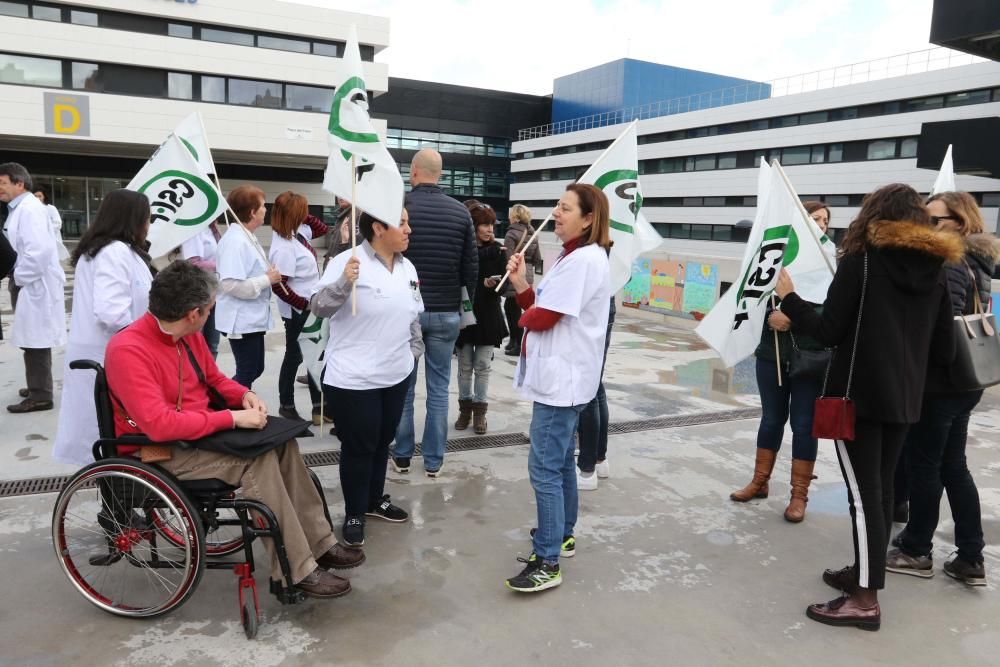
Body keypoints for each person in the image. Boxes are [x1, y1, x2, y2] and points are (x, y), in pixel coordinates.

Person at [104, 260, 364, 598]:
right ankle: (295, 570)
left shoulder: (186, 334)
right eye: (210, 308)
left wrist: (244, 395)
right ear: (193, 314)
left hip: (197, 434)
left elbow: (213, 379)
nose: (213, 313)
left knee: (283, 444)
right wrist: (232, 418)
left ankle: (320, 542)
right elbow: (159, 424)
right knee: (257, 462)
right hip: (152, 449)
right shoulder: (129, 350)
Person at [775, 183, 959, 631]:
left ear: (873, 216)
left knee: (864, 496)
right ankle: (864, 574)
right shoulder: (935, 270)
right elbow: (947, 350)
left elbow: (828, 329)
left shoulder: (862, 261)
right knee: (881, 492)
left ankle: (864, 599)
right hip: (904, 399)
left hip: (855, 398)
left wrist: (791, 299)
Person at [503, 183, 611, 593]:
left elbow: (543, 317)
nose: (556, 213)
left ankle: (547, 558)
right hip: (564, 378)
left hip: (561, 382)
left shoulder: (584, 259)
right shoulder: (573, 257)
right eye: (557, 206)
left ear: (588, 218)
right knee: (562, 460)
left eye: (566, 208)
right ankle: (561, 534)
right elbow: (539, 304)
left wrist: (523, 315)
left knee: (544, 467)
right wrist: (519, 284)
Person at [886, 191, 999, 585]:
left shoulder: (951, 263)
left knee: (926, 467)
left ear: (960, 222)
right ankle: (970, 556)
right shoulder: (977, 261)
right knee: (954, 466)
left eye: (934, 220)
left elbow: (942, 331)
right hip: (966, 381)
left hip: (941, 384)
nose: (925, 227)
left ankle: (917, 549)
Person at [312, 209, 423, 547]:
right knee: (359, 447)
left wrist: (412, 352)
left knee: (381, 442)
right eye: (401, 222)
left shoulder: (407, 266)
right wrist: (345, 282)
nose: (408, 228)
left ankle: (374, 500)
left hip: (396, 373)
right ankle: (356, 510)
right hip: (353, 378)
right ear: (378, 228)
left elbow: (414, 313)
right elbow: (318, 307)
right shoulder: (348, 261)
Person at [730, 201, 832, 521]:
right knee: (771, 420)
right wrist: (769, 319)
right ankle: (760, 482)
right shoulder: (775, 262)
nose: (821, 225)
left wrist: (794, 317)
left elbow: (833, 319)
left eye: (825, 220)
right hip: (770, 355)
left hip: (810, 358)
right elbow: (749, 301)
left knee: (803, 426)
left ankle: (798, 495)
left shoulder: (832, 266)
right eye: (814, 219)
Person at [392, 149, 478, 477]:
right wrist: (462, 304)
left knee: (404, 384)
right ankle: (433, 460)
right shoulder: (460, 213)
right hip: (446, 313)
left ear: (414, 172)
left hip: (407, 312)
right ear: (439, 174)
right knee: (440, 388)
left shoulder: (400, 210)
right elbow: (471, 266)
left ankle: (401, 454)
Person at [52, 189, 154, 465]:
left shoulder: (113, 250)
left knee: (104, 428)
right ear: (133, 219)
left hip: (108, 349)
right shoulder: (113, 252)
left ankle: (112, 490)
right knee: (106, 429)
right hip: (110, 352)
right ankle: (113, 494)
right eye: (147, 218)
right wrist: (148, 339)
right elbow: (111, 312)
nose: (148, 225)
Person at [0, 162, 67, 413]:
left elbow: (39, 251)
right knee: (31, 337)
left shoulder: (29, 210)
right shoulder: (21, 209)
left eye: (2, 183)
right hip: (29, 282)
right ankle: (38, 385)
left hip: (33, 282)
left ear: (19, 183)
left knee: (36, 338)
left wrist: (18, 276)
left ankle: (41, 395)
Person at [268, 191, 329, 424]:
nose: (308, 215)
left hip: (309, 308)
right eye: (303, 211)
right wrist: (303, 305)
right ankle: (287, 405)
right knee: (295, 357)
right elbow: (279, 285)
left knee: (314, 356)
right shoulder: (284, 246)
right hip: (299, 312)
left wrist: (304, 216)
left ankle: (318, 408)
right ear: (294, 215)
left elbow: (322, 229)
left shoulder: (297, 234)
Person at [215, 184, 280, 389]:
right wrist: (267, 279)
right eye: (262, 206)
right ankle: (232, 406)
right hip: (241, 320)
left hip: (251, 318)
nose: (265, 210)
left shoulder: (246, 237)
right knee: (248, 369)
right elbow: (230, 284)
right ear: (252, 212)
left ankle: (234, 403)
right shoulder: (235, 241)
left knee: (255, 368)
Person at [454, 202, 508, 435]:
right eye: (484, 224)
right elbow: (458, 280)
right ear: (474, 226)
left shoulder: (499, 251)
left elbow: (505, 288)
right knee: (465, 366)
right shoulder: (462, 251)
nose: (489, 229)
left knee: (483, 366)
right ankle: (464, 410)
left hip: (489, 316)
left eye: (492, 225)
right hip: (466, 315)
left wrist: (492, 285)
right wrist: (480, 283)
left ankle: (480, 413)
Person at [179, 218, 223, 358]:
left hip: (214, 293)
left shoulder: (213, 229)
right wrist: (221, 264)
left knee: (212, 345)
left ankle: (210, 378)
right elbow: (193, 263)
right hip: (198, 294)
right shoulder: (194, 229)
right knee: (196, 345)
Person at [502, 203, 541, 356]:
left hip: (515, 272)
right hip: (528, 272)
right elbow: (537, 258)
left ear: (515, 216)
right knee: (519, 308)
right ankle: (514, 342)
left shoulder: (511, 234)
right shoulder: (533, 233)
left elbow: (508, 257)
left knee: (511, 309)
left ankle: (517, 343)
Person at [33, 187, 70, 262]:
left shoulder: (51, 208)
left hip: (50, 238)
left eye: (39, 196)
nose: (37, 198)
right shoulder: (30, 209)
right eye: (35, 196)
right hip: (35, 239)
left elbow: (58, 223)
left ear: (44, 197)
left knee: (52, 261)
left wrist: (44, 231)